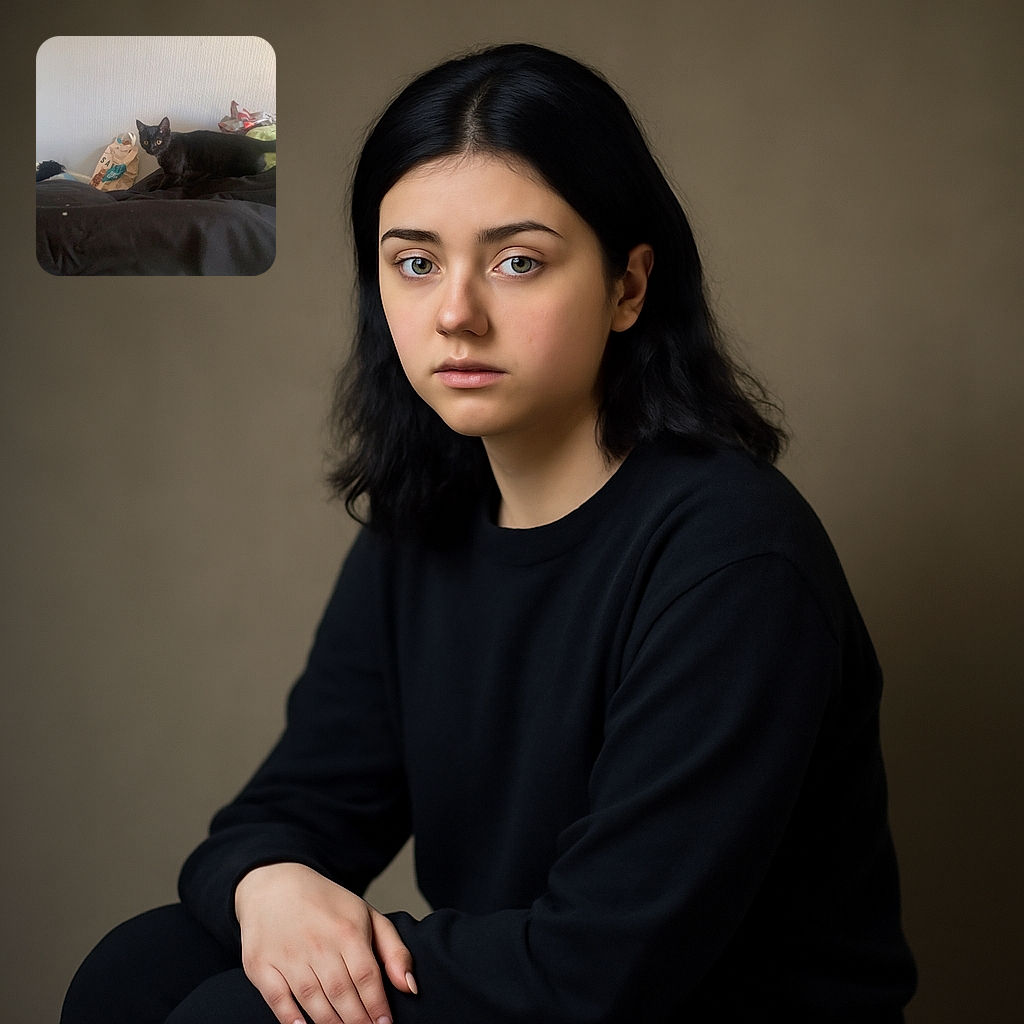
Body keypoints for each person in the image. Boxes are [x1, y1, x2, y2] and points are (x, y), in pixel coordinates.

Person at [61, 42, 916, 1024]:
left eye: (518, 261)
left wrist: (328, 955)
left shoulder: (732, 558)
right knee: (138, 971)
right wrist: (272, 883)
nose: (456, 314)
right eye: (415, 263)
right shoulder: (421, 530)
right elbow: (284, 816)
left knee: (234, 1017)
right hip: (549, 983)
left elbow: (602, 965)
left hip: (656, 1003)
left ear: (629, 286)